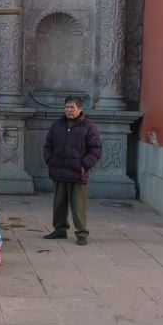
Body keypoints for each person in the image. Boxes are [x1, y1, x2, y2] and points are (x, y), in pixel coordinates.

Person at [42, 96, 103, 246]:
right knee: (59, 204)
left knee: (78, 206)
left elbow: (96, 150)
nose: (69, 110)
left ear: (80, 109)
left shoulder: (89, 127)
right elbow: (48, 146)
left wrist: (84, 165)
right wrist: (51, 161)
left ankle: (81, 233)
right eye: (67, 107)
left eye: (72, 107)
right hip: (59, 171)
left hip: (77, 173)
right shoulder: (57, 125)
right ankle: (60, 230)